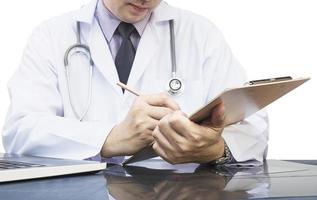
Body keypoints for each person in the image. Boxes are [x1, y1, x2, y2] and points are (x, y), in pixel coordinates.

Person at [2, 0, 268, 165]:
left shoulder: (201, 34)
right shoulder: (52, 35)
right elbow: (20, 130)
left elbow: (254, 129)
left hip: (181, 193)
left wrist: (215, 150)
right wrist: (110, 138)